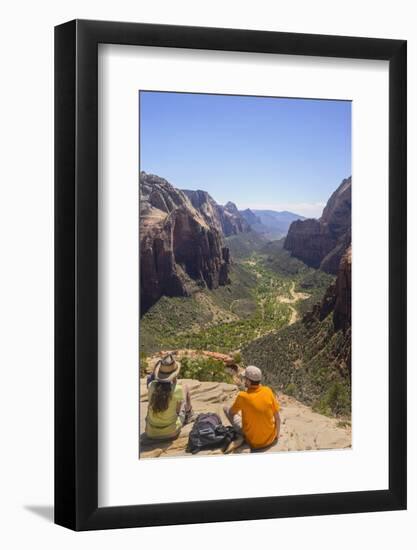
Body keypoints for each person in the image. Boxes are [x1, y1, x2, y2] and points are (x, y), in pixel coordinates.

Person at [223, 365, 280, 452]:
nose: (244, 380)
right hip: (271, 439)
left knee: (226, 408)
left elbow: (231, 412)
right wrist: (276, 436)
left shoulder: (243, 396)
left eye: (245, 378)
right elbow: (277, 418)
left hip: (254, 443)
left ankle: (241, 436)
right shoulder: (268, 391)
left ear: (249, 381)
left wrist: (237, 412)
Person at [145, 354, 192, 440]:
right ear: (174, 374)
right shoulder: (177, 389)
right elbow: (177, 411)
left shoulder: (151, 386)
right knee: (185, 388)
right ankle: (189, 415)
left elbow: (152, 379)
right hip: (171, 432)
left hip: (151, 432)